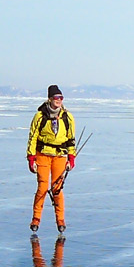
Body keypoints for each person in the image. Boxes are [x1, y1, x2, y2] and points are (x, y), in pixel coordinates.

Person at [26, 85, 78, 235]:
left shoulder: (67, 117)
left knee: (57, 188)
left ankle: (60, 220)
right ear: (50, 99)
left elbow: (71, 139)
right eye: (56, 98)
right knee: (42, 187)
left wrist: (71, 157)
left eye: (61, 98)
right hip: (42, 154)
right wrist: (31, 158)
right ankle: (36, 218)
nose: (59, 101)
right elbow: (33, 137)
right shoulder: (40, 116)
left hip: (60, 155)